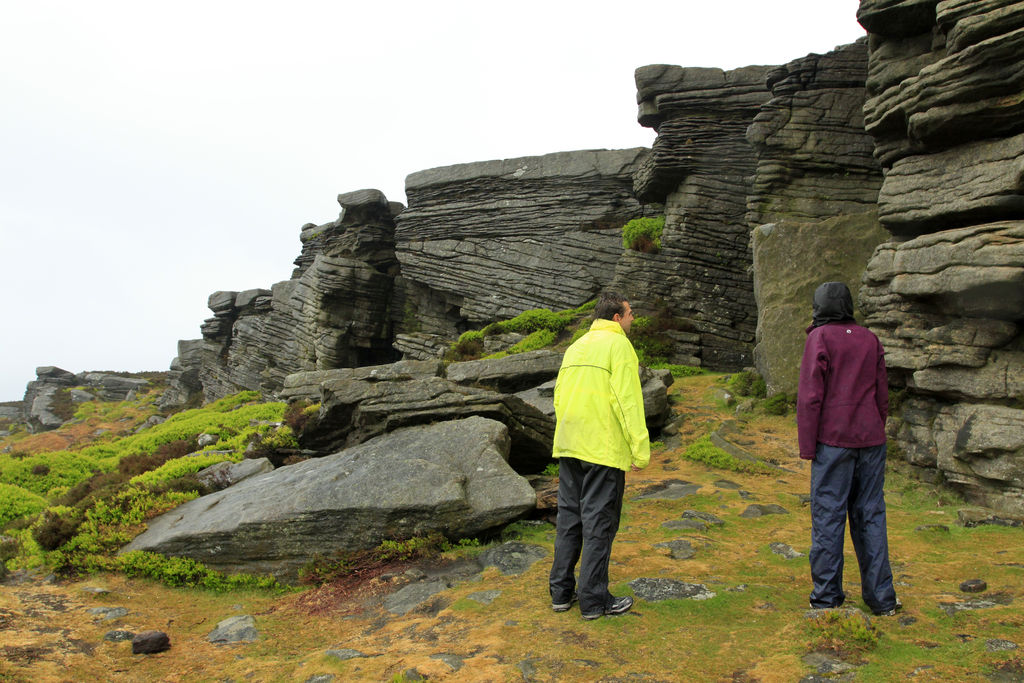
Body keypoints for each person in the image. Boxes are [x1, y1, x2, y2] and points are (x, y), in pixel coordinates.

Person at [797, 281, 900, 616]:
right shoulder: (870, 339)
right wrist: (874, 426)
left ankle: (827, 598)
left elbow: (811, 396)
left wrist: (807, 446)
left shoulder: (820, 338)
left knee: (828, 516)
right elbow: (882, 395)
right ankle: (882, 599)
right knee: (871, 515)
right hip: (870, 439)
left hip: (833, 442)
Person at [548, 291, 650, 620]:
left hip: (570, 444)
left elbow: (559, 395)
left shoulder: (576, 346)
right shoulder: (618, 346)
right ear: (617, 317)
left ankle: (561, 592)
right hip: (602, 449)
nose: (633, 319)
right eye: (630, 313)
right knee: (599, 523)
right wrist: (640, 449)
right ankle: (594, 600)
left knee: (569, 520)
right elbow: (627, 401)